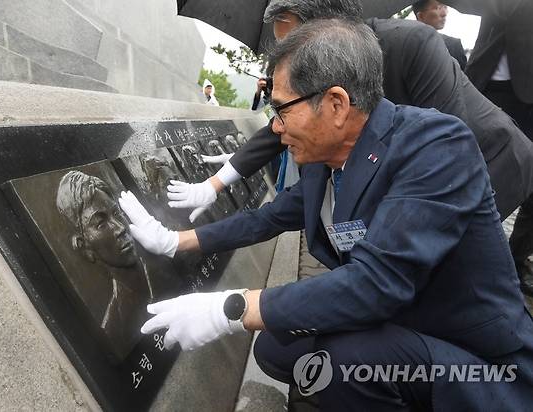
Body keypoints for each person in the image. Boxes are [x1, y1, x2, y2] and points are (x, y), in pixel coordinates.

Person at [120, 19, 533, 409]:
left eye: (281, 109)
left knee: (344, 363)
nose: (276, 127)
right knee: (275, 348)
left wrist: (230, 308)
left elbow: (375, 283)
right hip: (399, 322)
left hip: (473, 357)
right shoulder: (325, 161)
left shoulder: (437, 145)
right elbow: (268, 218)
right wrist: (175, 242)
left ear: (335, 104)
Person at [166, 0, 533, 289]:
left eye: (295, 42)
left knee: (438, 280)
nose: (289, 57)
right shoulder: (319, 85)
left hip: (489, 163)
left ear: (328, 28)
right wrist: (214, 184)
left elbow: (448, 147)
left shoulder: (410, 45)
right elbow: (283, 124)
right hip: (410, 172)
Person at [451, 0, 533, 295]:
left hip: (529, 94)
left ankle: (516, 256)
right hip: (485, 87)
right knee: (470, 171)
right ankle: (463, 250)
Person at [56, 170, 154, 361]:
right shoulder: (115, 328)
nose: (120, 228)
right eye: (101, 224)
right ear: (85, 247)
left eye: (116, 213)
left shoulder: (163, 266)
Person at [412, 0, 467, 69]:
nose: (444, 13)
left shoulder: (454, 45)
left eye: (445, 7)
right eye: (438, 8)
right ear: (421, 16)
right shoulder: (409, 47)